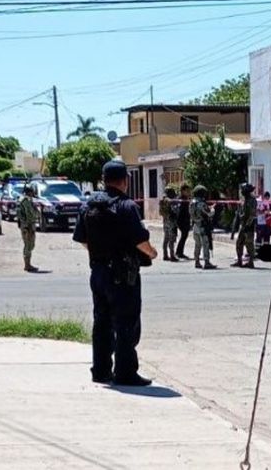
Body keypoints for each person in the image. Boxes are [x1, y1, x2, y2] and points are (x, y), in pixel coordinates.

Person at [73, 159, 158, 386]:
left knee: (101, 322)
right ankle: (126, 372)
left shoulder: (89, 205)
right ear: (124, 181)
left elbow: (82, 239)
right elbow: (141, 240)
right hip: (122, 275)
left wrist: (101, 255)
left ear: (103, 180)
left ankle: (100, 371)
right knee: (126, 324)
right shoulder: (126, 206)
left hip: (98, 272)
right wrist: (152, 253)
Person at [190, 185, 216, 269]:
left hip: (195, 225)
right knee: (205, 244)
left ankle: (197, 261)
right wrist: (212, 209)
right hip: (202, 226)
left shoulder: (192, 202)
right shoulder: (201, 203)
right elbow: (209, 213)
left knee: (197, 245)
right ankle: (207, 262)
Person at [232, 183, 257, 268]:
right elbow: (240, 212)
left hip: (249, 226)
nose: (241, 192)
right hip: (242, 225)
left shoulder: (252, 200)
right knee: (239, 243)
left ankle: (251, 262)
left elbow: (252, 214)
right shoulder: (244, 199)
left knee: (249, 244)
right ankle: (239, 261)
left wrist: (247, 225)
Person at [17, 184, 40, 273]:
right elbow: (29, 214)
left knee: (30, 245)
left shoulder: (25, 200)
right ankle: (27, 265)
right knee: (28, 244)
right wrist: (28, 227)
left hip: (28, 225)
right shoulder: (25, 201)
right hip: (28, 225)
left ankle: (28, 264)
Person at [159, 186, 180, 262]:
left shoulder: (163, 200)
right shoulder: (170, 201)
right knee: (172, 239)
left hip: (165, 220)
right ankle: (172, 255)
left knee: (166, 238)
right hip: (171, 221)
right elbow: (175, 210)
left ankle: (165, 255)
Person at [175, 184, 192, 260]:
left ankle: (179, 252)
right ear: (182, 191)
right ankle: (179, 252)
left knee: (184, 236)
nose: (188, 192)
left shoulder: (185, 198)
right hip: (182, 220)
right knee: (184, 235)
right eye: (187, 191)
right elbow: (181, 211)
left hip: (185, 220)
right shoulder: (181, 199)